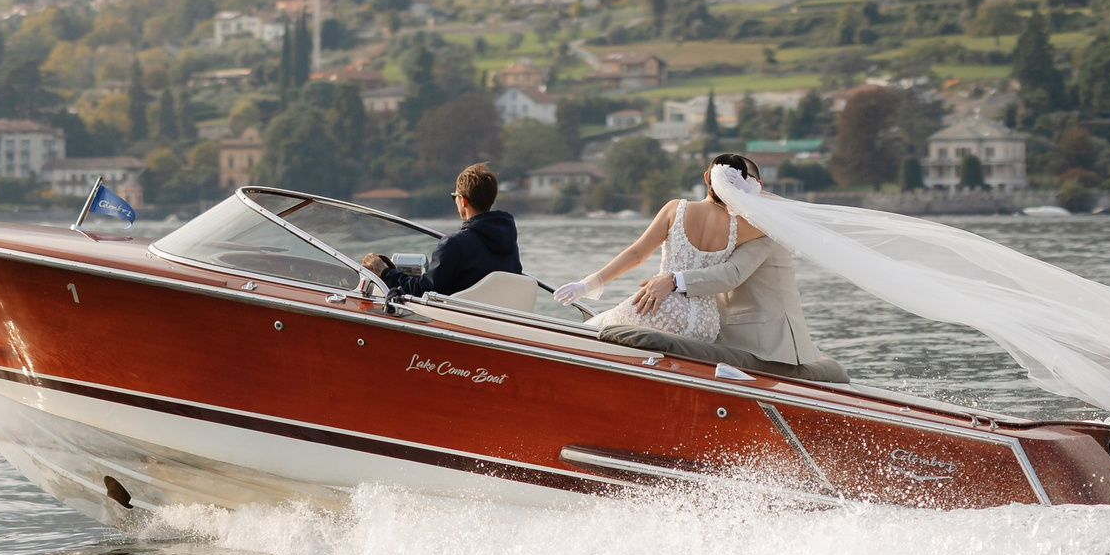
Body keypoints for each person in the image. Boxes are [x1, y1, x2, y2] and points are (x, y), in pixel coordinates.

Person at [557, 154, 845, 382]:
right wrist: (749, 196)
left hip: (662, 305)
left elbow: (636, 254)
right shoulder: (746, 226)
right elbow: (788, 218)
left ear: (707, 177)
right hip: (706, 323)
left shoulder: (676, 208)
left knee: (585, 334)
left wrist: (587, 284)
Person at [362, 163, 520, 295]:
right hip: (500, 324)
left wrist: (384, 271)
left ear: (463, 200)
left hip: (459, 324)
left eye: (455, 197)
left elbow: (423, 291)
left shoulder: (455, 244)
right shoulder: (509, 243)